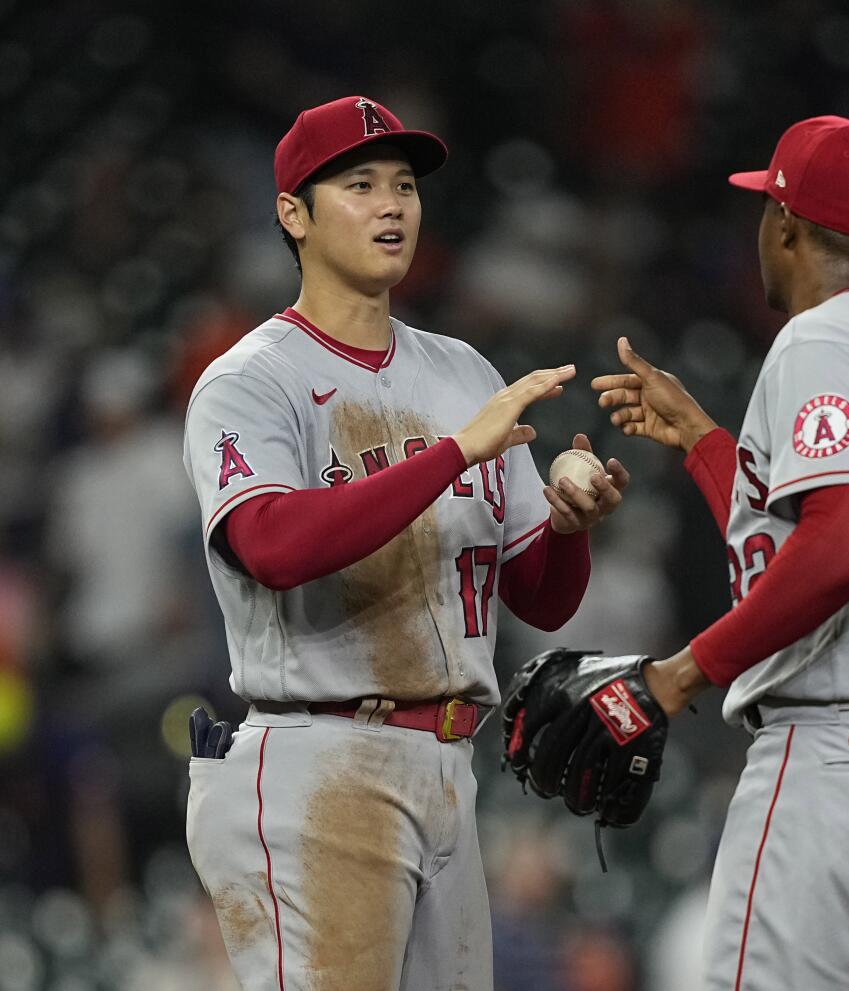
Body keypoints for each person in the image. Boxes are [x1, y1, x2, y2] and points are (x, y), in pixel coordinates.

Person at [181, 95, 628, 988]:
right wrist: (453, 452)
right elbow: (270, 543)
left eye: (404, 186)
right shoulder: (251, 380)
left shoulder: (463, 372)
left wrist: (570, 530)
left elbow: (536, 594)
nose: (392, 205)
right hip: (316, 761)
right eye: (360, 184)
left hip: (446, 766)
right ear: (293, 214)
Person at [592, 115, 849, 989]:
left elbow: (846, 544)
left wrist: (679, 674)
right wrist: (706, 441)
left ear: (783, 225)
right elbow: (803, 542)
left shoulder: (820, 338)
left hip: (847, 752)